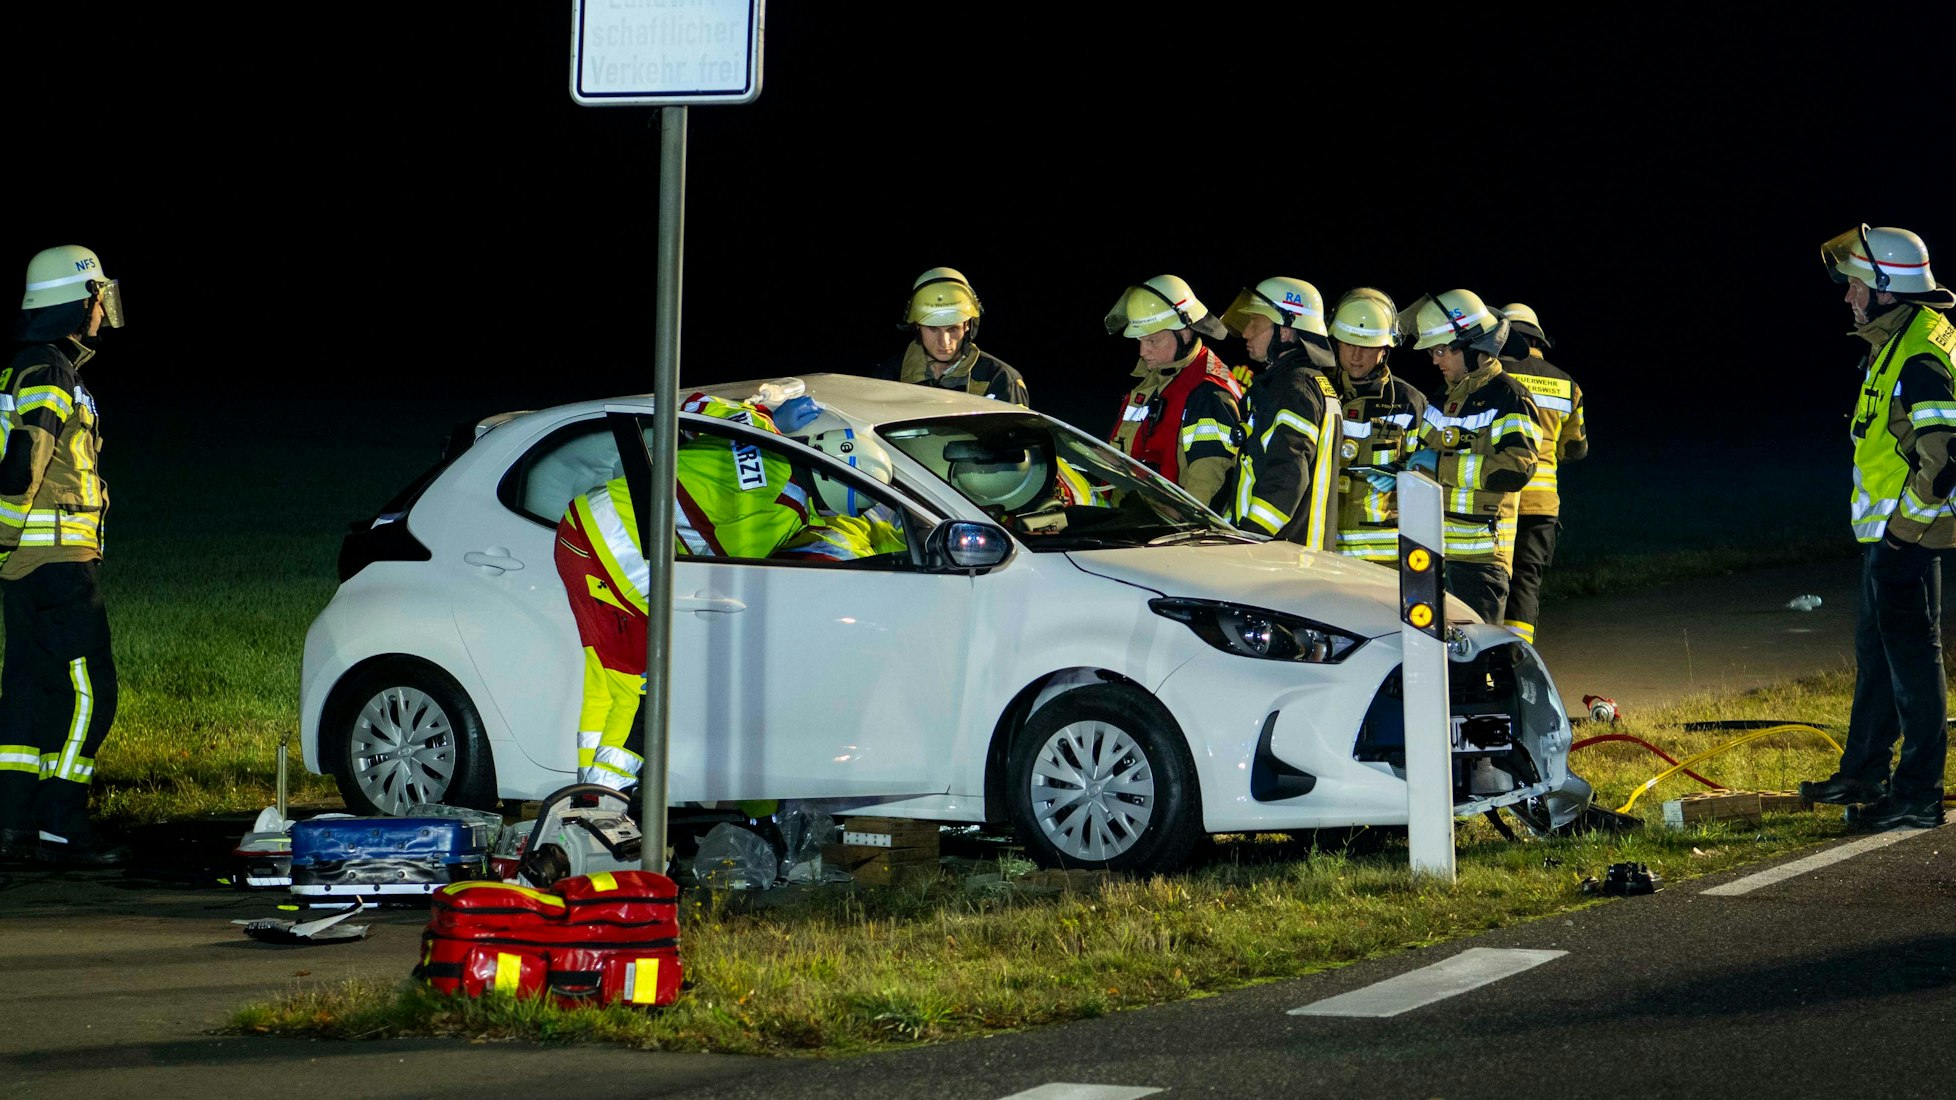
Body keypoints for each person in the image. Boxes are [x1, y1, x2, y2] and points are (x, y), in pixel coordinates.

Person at [552, 391, 895, 792]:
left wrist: (768, 418)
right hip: (623, 548)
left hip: (582, 523)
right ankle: (605, 799)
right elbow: (731, 571)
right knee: (647, 685)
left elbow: (693, 405)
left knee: (609, 677)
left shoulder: (759, 430)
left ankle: (584, 797)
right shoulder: (784, 511)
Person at [1798, 224, 1955, 831]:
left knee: (1913, 663)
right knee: (1879, 653)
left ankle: (1917, 794)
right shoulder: (1900, 337)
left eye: (1856, 285)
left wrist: (1900, 536)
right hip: (1890, 534)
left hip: (1907, 535)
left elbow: (1944, 459)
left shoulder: (1917, 352)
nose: (1848, 296)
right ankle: (1864, 771)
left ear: (1886, 287)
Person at [0, 245, 127, 866]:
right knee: (90, 691)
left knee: (30, 691)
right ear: (77, 302)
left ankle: (14, 822)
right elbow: (24, 462)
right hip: (55, 561)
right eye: (97, 295)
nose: (103, 307)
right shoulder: (50, 371)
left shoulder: (27, 366)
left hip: (26, 565)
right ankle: (63, 823)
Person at [1398, 289, 1543, 626]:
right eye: (1432, 352)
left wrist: (1441, 466)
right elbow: (1418, 457)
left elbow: (1517, 468)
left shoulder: (1509, 397)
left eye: (1440, 350)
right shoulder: (1441, 399)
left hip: (1480, 561)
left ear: (1473, 347)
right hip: (1432, 555)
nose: (1435, 361)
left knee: (1475, 654)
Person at [1217, 277, 1342, 547]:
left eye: (1255, 323)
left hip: (1282, 555)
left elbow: (1287, 475)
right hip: (1289, 551)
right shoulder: (1304, 384)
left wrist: (1250, 536)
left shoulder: (1293, 389)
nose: (1246, 333)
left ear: (1284, 332)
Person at [1104, 274, 1245, 512]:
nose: (1142, 351)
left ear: (1185, 334)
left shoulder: (1209, 393)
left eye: (1153, 341)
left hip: (1165, 528)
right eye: (1140, 340)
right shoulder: (1159, 376)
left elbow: (1207, 482)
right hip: (1134, 515)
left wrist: (1184, 528)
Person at [1495, 302, 1587, 644]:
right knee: (1526, 581)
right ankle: (1517, 655)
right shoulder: (1567, 385)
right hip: (1542, 506)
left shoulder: (1492, 376)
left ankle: (1484, 654)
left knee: (1488, 579)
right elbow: (1576, 448)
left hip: (1497, 500)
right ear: (1538, 340)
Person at [1327, 288, 1428, 565]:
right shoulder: (1318, 392)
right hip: (1323, 548)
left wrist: (1403, 475)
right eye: (1348, 343)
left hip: (1382, 556)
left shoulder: (1409, 403)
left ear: (1385, 349)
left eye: (1367, 346)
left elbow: (1426, 473)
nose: (1356, 355)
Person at [873, 267, 1029, 405]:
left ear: (967, 325)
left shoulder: (1000, 379)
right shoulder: (887, 377)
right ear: (917, 326)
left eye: (953, 329)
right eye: (933, 329)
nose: (944, 341)